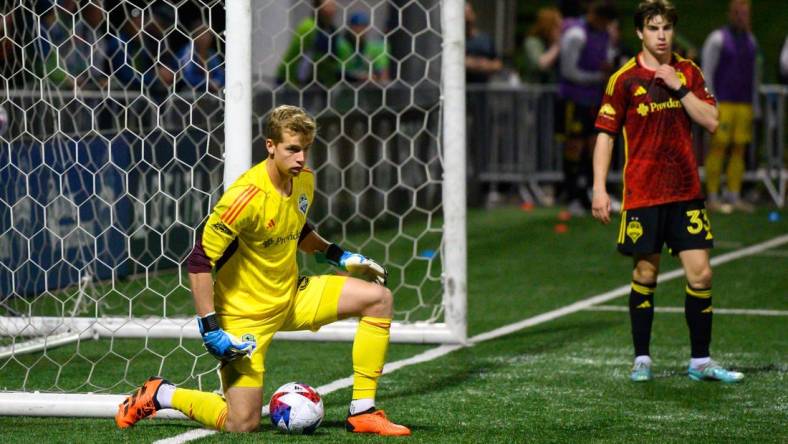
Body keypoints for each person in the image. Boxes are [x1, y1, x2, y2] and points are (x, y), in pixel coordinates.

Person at [115, 105, 411, 436]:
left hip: (293, 295)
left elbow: (296, 229)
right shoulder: (245, 196)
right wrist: (211, 328)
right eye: (292, 149)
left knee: (378, 299)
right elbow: (199, 261)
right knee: (243, 423)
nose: (301, 158)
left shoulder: (303, 181)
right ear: (270, 145)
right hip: (245, 319)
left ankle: (363, 412)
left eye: (305, 150)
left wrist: (339, 256)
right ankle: (161, 393)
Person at [591, 0, 744, 384]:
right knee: (645, 272)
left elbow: (711, 120)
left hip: (685, 192)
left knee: (702, 275)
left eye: (667, 28)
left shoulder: (688, 72)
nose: (661, 35)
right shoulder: (623, 79)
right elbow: (606, 136)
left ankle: (701, 362)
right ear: (640, 33)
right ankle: (642, 357)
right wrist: (598, 188)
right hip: (643, 193)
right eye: (653, 28)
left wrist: (679, 89)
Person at [558, 0, 617, 215]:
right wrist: (597, 76)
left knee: (595, 146)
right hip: (574, 99)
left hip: (594, 99)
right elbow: (568, 71)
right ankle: (572, 195)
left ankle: (592, 193)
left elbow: (605, 59)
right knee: (575, 146)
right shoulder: (576, 35)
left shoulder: (605, 35)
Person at [701, 0, 759, 213]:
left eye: (745, 14)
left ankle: (734, 195)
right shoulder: (717, 40)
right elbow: (707, 72)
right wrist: (710, 102)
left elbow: (754, 76)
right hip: (722, 102)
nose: (742, 18)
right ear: (730, 14)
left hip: (743, 104)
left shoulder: (751, 41)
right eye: (738, 13)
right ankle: (713, 195)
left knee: (739, 149)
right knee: (718, 147)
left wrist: (755, 105)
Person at [276, 0, 348, 88]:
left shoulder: (332, 30)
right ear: (317, 7)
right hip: (297, 81)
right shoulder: (308, 27)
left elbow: (333, 58)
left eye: (333, 5)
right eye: (328, 5)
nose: (332, 9)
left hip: (321, 82)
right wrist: (287, 78)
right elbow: (294, 54)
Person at [342, 11, 390, 84]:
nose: (360, 30)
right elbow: (337, 71)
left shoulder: (376, 47)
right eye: (356, 26)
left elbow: (382, 71)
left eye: (363, 27)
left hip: (368, 90)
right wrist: (359, 77)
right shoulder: (342, 46)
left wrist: (379, 78)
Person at [521, 7, 562, 84]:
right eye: (557, 27)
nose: (560, 30)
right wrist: (557, 45)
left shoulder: (553, 43)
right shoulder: (532, 42)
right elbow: (540, 65)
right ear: (547, 26)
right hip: (535, 91)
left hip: (553, 90)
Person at [464, 1, 502, 85]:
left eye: (469, 13)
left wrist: (484, 65)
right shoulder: (455, 42)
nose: (467, 17)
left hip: (483, 91)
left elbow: (498, 64)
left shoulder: (486, 39)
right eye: (464, 14)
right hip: (463, 89)